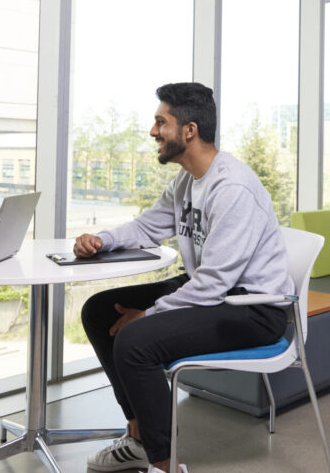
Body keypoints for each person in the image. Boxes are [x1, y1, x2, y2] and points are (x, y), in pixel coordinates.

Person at [76, 83, 292, 473]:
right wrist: (100, 241)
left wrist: (151, 314)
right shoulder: (187, 182)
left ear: (188, 130)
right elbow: (147, 227)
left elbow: (213, 283)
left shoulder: (232, 187)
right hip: (216, 293)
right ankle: (140, 436)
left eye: (162, 122)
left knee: (135, 340)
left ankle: (164, 463)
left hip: (253, 308)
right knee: (99, 311)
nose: (153, 131)